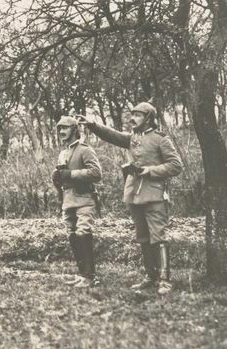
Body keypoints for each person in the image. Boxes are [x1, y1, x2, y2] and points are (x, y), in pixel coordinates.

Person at [77, 103, 183, 295]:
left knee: (159, 237)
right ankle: (150, 276)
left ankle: (165, 279)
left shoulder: (161, 139)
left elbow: (176, 165)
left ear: (148, 118)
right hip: (134, 195)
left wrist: (150, 171)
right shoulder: (133, 138)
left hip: (155, 195)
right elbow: (113, 135)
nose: (132, 118)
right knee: (143, 238)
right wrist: (93, 125)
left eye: (137, 115)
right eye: (131, 114)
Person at [51, 116, 102, 288]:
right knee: (72, 235)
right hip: (68, 199)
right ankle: (82, 275)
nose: (61, 132)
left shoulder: (84, 150)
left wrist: (72, 174)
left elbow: (96, 173)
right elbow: (62, 178)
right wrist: (56, 178)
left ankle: (90, 276)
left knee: (83, 233)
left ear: (74, 130)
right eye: (60, 129)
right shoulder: (63, 153)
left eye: (65, 128)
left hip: (84, 199)